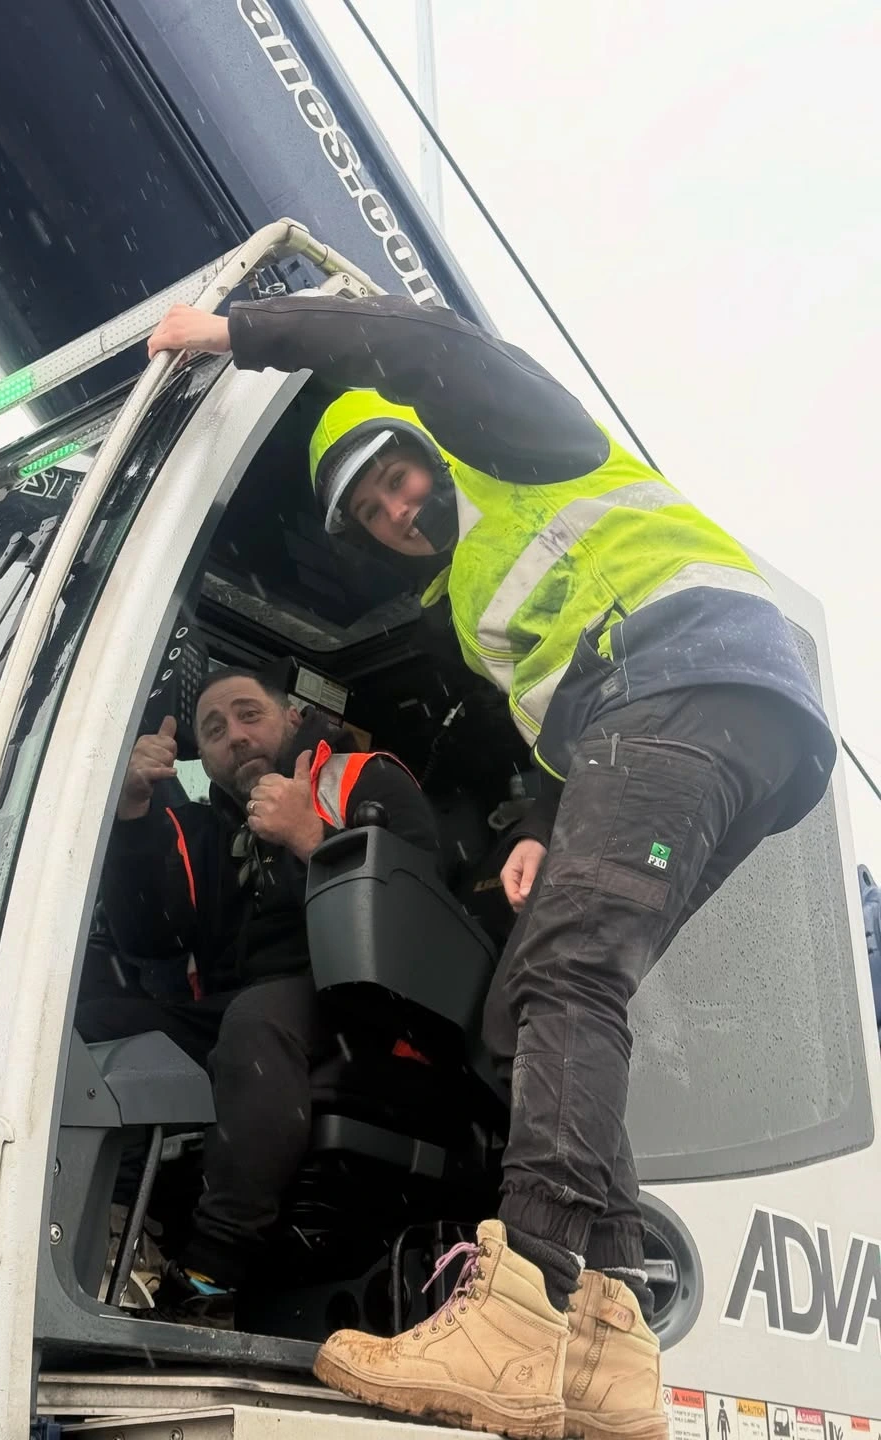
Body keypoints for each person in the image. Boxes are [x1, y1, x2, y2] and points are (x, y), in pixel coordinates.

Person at [146, 297, 837, 1435]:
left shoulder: (518, 445)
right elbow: (570, 725)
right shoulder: (470, 597)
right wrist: (535, 826)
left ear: (430, 444)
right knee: (535, 996)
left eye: (397, 477)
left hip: (693, 678)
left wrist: (237, 330)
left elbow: (418, 343)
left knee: (567, 976)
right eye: (374, 512)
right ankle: (605, 1343)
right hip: (689, 725)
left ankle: (520, 1306)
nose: (399, 509)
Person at [79, 663, 438, 1326]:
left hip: (358, 998)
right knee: (95, 1018)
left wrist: (311, 837)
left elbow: (427, 898)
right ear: (204, 758)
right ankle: (118, 1229)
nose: (236, 736)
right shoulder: (205, 829)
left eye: (250, 715)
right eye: (213, 730)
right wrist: (132, 811)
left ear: (291, 719)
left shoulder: (359, 777)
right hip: (236, 1007)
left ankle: (212, 1276)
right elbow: (149, 937)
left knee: (257, 1019)